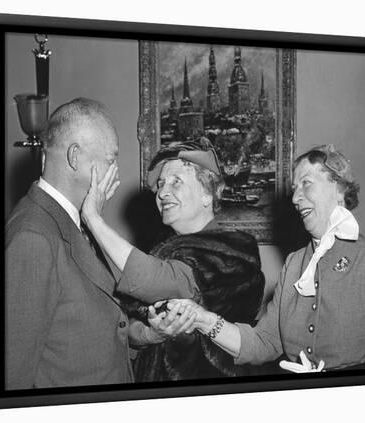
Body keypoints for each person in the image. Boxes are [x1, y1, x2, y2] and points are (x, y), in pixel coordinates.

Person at [165, 144, 365, 372]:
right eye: (294, 189)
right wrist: (203, 319)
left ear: (339, 189)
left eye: (306, 184)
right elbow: (264, 342)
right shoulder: (295, 264)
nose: (295, 198)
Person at [5, 98, 196, 389]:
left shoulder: (73, 223)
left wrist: (148, 334)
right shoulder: (33, 236)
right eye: (110, 159)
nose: (116, 171)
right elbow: (13, 374)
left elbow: (89, 333)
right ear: (75, 158)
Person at [81, 138, 265, 381]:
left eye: (176, 182)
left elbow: (159, 282)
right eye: (161, 184)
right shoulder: (162, 249)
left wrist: (93, 218)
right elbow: (128, 325)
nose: (163, 193)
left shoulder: (234, 252)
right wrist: (151, 333)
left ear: (208, 194)